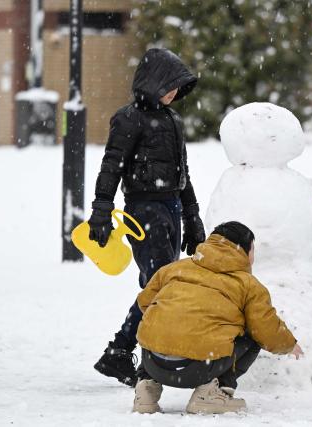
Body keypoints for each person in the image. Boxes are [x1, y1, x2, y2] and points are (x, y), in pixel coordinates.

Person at [90, 48, 206, 386]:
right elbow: (111, 165)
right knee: (160, 284)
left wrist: (193, 216)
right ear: (153, 83)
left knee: (164, 285)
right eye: (169, 85)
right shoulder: (129, 118)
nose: (173, 93)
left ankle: (127, 353)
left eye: (177, 87)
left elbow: (182, 173)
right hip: (144, 210)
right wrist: (101, 208)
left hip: (171, 208)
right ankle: (125, 351)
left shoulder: (173, 119)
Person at [131, 221, 303, 414]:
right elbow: (265, 329)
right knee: (253, 336)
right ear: (244, 251)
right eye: (253, 249)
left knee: (157, 322)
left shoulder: (173, 269)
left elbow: (145, 302)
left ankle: (146, 391)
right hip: (198, 368)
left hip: (154, 363)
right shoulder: (248, 285)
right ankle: (213, 393)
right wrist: (288, 344)